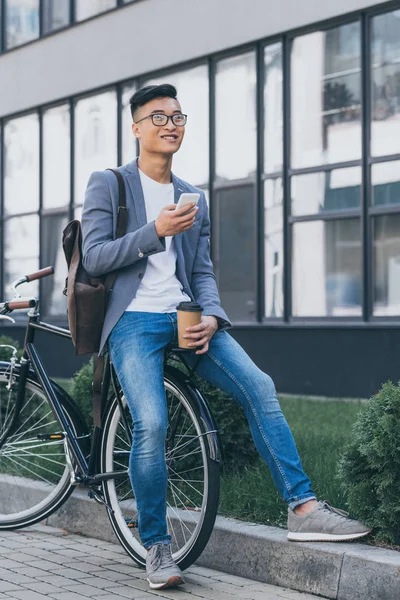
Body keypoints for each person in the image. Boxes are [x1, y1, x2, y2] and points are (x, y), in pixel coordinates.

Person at [81, 84, 371, 591]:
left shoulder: (193, 195)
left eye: (178, 116)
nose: (170, 124)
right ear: (136, 127)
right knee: (150, 420)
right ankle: (157, 546)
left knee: (258, 385)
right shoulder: (109, 185)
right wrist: (155, 230)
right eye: (158, 116)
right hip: (133, 320)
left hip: (188, 317)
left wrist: (213, 314)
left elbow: (203, 271)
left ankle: (302, 508)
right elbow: (95, 256)